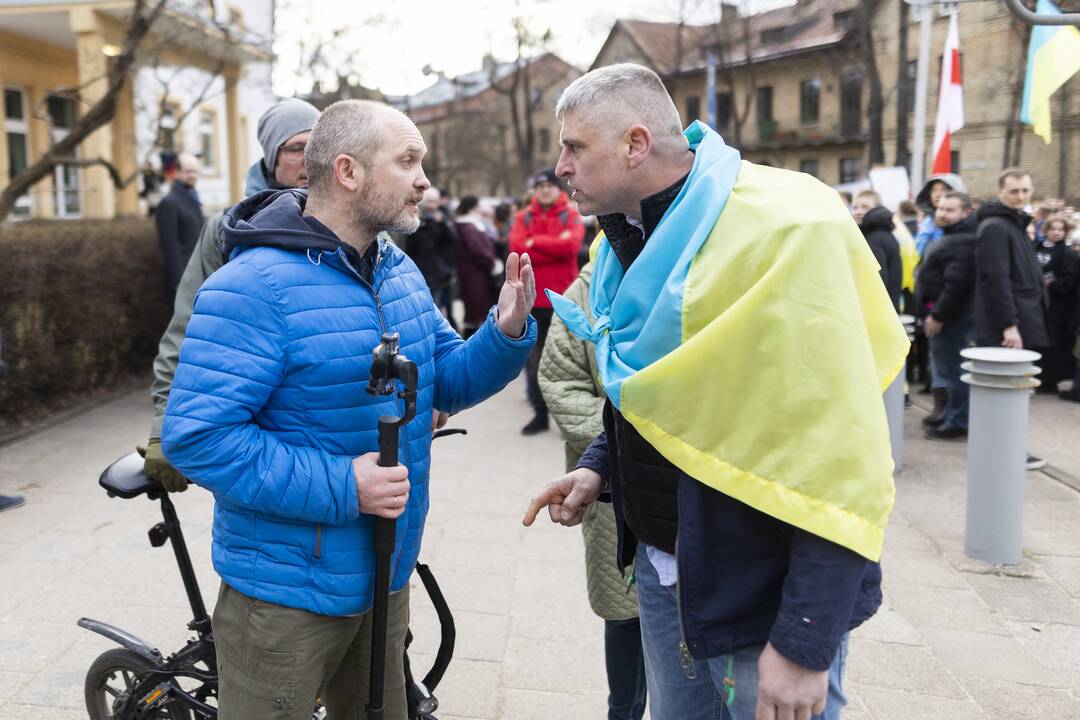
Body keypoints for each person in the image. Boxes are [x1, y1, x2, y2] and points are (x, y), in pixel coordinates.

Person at [523, 63, 907, 720]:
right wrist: (601, 467)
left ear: (636, 145)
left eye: (574, 147)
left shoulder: (787, 228)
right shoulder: (623, 240)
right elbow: (674, 393)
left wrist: (806, 639)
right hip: (664, 569)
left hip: (761, 591)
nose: (560, 166)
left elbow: (840, 451)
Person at [161, 99, 537, 719]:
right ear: (348, 171)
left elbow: (443, 383)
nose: (425, 181)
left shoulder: (397, 270)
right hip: (285, 596)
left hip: (385, 570)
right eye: (409, 161)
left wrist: (503, 334)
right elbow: (197, 437)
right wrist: (344, 484)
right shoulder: (251, 285)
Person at [142, 98, 321, 492]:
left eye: (318, 145)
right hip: (256, 431)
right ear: (271, 158)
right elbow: (188, 327)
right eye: (295, 148)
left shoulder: (359, 226)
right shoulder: (229, 229)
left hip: (339, 426)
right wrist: (164, 426)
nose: (309, 159)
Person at [538, 262, 647, 720]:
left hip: (681, 484)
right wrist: (627, 432)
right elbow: (559, 382)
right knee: (622, 610)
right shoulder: (582, 295)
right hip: (608, 484)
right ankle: (622, 710)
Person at [973, 167, 1051, 470]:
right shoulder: (996, 226)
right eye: (1014, 190)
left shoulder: (1013, 223)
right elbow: (996, 279)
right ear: (1001, 191)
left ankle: (1007, 451)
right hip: (1008, 324)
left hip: (1021, 317)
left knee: (1017, 392)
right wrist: (1009, 324)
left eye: (1026, 190)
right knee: (1009, 393)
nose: (1021, 196)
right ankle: (1008, 454)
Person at [509, 168, 586, 435]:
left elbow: (571, 247)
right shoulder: (524, 216)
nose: (544, 190)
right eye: (539, 186)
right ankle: (540, 413)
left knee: (570, 359)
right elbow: (516, 247)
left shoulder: (570, 213)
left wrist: (534, 242)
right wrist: (551, 243)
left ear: (557, 188)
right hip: (533, 299)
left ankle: (569, 416)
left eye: (549, 185)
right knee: (535, 360)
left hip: (564, 299)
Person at [917, 192, 978, 440]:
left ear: (965, 213)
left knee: (954, 373)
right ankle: (953, 417)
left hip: (953, 320)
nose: (942, 213)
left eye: (949, 210)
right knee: (950, 371)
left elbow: (956, 285)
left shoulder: (961, 241)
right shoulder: (953, 236)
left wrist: (938, 316)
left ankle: (958, 422)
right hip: (950, 316)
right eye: (941, 208)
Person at [1033, 214, 1079, 393]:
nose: (1056, 233)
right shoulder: (1035, 247)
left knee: (1054, 344)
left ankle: (1050, 380)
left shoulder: (1068, 254)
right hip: (1037, 305)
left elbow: (1069, 281)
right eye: (1053, 229)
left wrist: (1050, 283)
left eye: (1061, 229)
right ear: (1046, 230)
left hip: (1057, 308)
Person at [154, 152, 204, 308]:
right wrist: (180, 284)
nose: (193, 176)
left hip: (198, 277)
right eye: (188, 171)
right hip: (182, 283)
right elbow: (170, 248)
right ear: (177, 173)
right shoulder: (169, 203)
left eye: (195, 171)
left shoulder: (194, 199)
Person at [406, 187, 459, 330]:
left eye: (435, 202)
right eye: (429, 202)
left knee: (438, 307)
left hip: (440, 272)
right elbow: (413, 245)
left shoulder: (443, 217)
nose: (432, 206)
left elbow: (453, 240)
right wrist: (423, 225)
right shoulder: (414, 216)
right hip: (421, 270)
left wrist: (442, 224)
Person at [454, 196, 502, 338]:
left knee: (476, 309)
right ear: (473, 207)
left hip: (475, 273)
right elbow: (479, 250)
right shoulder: (469, 226)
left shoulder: (469, 224)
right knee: (476, 310)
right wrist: (493, 264)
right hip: (475, 274)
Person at [852, 190, 902, 311]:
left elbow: (877, 277)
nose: (858, 212)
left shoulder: (874, 238)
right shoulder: (883, 233)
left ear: (877, 209)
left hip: (879, 309)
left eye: (865, 207)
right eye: (855, 207)